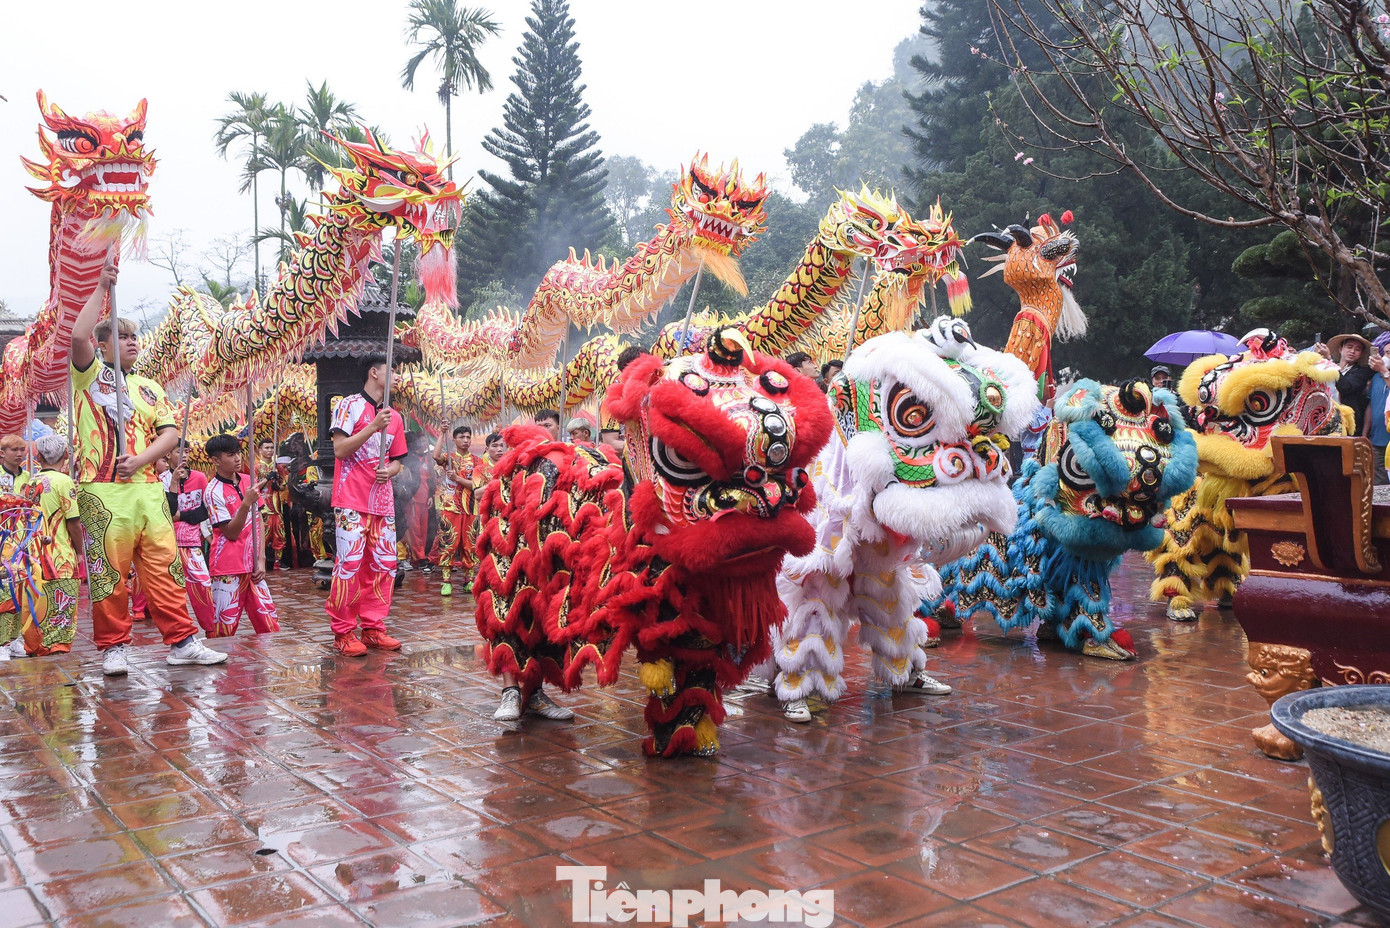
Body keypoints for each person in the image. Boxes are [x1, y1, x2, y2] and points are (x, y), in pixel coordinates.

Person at [68, 253, 226, 675]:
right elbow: (78, 337)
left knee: (166, 569)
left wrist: (141, 459)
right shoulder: (89, 376)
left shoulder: (149, 387)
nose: (132, 343)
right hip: (103, 492)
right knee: (108, 574)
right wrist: (101, 286)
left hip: (148, 491)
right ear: (103, 346)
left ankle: (182, 641)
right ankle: (114, 647)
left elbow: (171, 434)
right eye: (122, 338)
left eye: (135, 337)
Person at [325, 353, 408, 656]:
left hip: (382, 504)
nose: (398, 377)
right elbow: (340, 450)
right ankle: (343, 632)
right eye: (393, 370)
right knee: (348, 566)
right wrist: (373, 427)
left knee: (384, 566)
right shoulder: (348, 406)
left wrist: (391, 471)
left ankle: (374, 627)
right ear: (374, 373)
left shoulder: (395, 417)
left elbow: (398, 460)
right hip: (350, 501)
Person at [203, 435, 280, 637]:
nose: (237, 458)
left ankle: (266, 668)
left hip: (253, 566)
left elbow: (259, 522)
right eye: (231, 455)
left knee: (270, 626)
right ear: (216, 460)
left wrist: (261, 559)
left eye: (238, 453)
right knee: (223, 631)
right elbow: (230, 532)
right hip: (228, 568)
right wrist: (246, 503)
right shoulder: (212, 491)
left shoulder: (249, 481)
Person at [13, 435, 82, 656]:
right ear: (65, 456)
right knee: (63, 600)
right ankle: (57, 645)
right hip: (60, 554)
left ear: (38, 456)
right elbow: (73, 521)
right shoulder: (64, 481)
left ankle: (36, 644)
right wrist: (80, 551)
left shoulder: (29, 484)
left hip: (33, 554)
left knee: (37, 599)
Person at [163, 440, 215, 633]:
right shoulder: (160, 480)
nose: (184, 455)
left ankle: (211, 629)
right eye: (179, 451)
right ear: (168, 455)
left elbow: (205, 510)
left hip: (193, 544)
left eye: (186, 451)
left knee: (202, 584)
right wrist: (174, 483)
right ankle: (180, 632)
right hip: (168, 545)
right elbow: (168, 511)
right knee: (172, 592)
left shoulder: (200, 478)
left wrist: (183, 516)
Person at [434, 423, 482, 596]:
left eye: (468, 437)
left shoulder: (478, 461)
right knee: (448, 543)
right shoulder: (448, 457)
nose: (466, 440)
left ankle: (468, 580)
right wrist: (441, 433)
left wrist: (457, 478)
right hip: (450, 507)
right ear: (454, 440)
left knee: (469, 545)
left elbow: (477, 485)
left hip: (470, 508)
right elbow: (435, 455)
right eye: (462, 437)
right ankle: (446, 581)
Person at [1318, 333, 1374, 435]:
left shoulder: (1363, 372)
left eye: (1357, 349)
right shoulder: (1326, 368)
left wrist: (1329, 360)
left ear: (1361, 353)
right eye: (1349, 347)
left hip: (1349, 426)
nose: (1352, 351)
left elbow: (1345, 387)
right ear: (1340, 349)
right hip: (1324, 421)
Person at [1368, 334, 1390, 485]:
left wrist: (1384, 371)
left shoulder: (1383, 373)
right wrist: (1365, 434)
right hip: (1376, 440)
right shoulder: (1375, 377)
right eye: (1387, 353)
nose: (1387, 356)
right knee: (1379, 486)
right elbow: (1370, 406)